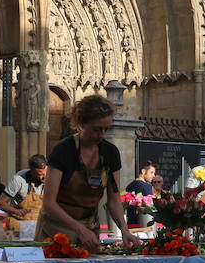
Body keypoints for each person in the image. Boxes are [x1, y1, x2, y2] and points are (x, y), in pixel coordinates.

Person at [38, 95, 135, 251]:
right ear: (81, 123)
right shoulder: (63, 151)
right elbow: (49, 204)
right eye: (97, 129)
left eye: (106, 129)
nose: (102, 135)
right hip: (56, 228)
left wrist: (124, 230)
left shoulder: (111, 153)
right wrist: (79, 229)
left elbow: (114, 200)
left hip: (89, 228)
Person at [0, 154, 47, 235]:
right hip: (20, 225)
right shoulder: (18, 180)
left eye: (45, 173)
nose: (43, 177)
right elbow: (0, 204)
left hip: (39, 226)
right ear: (32, 171)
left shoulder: (49, 178)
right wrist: (17, 211)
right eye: (39, 174)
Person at [125, 161, 156, 227]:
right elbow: (150, 206)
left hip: (130, 223)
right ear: (143, 171)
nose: (154, 176)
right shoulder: (146, 186)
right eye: (151, 172)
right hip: (144, 224)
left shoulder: (129, 186)